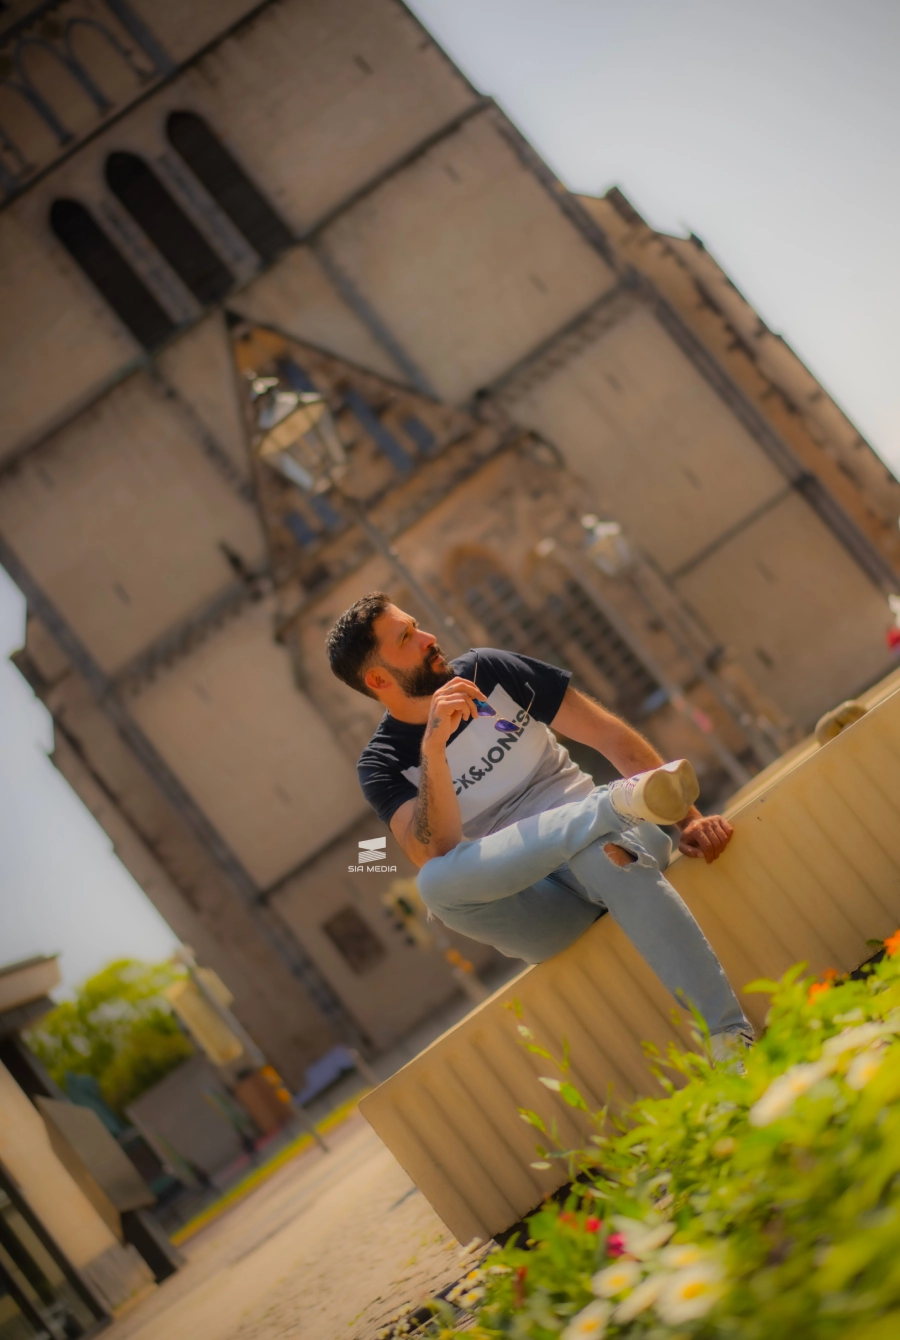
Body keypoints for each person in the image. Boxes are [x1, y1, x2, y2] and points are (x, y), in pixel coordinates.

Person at [326, 592, 752, 1057]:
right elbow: (434, 850)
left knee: (600, 854)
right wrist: (433, 747)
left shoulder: (489, 670)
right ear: (378, 679)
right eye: (407, 637)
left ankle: (731, 1038)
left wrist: (688, 820)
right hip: (544, 905)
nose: (428, 637)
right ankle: (610, 806)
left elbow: (606, 733)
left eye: (416, 625)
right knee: (434, 886)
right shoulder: (383, 763)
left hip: (619, 846)